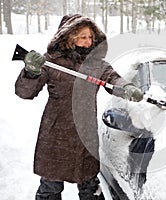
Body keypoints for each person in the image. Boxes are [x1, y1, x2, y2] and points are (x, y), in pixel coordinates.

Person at [15, 14, 143, 200]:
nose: (88, 41)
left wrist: (127, 88)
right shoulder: (50, 61)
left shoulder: (96, 65)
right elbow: (25, 92)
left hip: (85, 135)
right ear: (68, 37)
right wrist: (31, 71)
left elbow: (113, 79)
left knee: (90, 187)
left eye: (90, 37)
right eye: (83, 36)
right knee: (50, 187)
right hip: (55, 135)